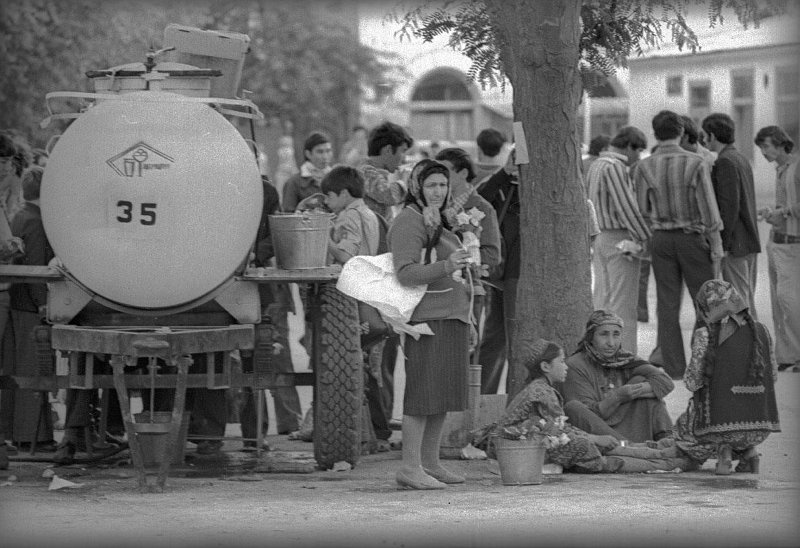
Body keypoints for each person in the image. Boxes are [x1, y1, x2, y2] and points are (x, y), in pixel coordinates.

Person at [473, 338, 692, 473]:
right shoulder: (542, 391)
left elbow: (558, 430)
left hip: (518, 446)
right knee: (589, 449)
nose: (565, 366)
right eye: (560, 362)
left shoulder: (541, 388)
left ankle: (651, 452)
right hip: (516, 450)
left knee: (590, 443)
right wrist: (596, 439)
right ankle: (661, 461)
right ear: (545, 366)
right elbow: (560, 432)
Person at [388, 159, 473, 489]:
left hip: (452, 314)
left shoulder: (443, 219)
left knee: (443, 395)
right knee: (423, 395)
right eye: (431, 185)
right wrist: (446, 265)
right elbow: (405, 273)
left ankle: (431, 463)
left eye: (443, 185)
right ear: (416, 188)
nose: (438, 191)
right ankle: (410, 467)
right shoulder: (409, 221)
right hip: (426, 318)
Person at [632, 109, 724, 379]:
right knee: (705, 301)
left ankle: (673, 368)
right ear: (682, 132)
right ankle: (703, 363)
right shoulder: (696, 162)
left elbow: (641, 209)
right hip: (692, 238)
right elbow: (709, 209)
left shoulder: (644, 166)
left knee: (667, 303)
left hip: (661, 239)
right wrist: (715, 242)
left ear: (655, 134)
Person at [673, 280, 780, 474]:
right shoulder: (762, 331)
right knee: (739, 406)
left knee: (681, 432)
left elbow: (692, 382)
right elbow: (772, 376)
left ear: (704, 308)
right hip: (761, 427)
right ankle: (749, 453)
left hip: (720, 427)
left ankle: (724, 451)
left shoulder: (705, 334)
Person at [238, 174, 303, 448]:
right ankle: (235, 434)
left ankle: (263, 431)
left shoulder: (266, 192)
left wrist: (253, 254)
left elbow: (278, 234)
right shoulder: (215, 187)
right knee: (236, 364)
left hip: (261, 289)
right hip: (219, 288)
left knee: (264, 358)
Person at [562, 310, 675, 443]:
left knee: (649, 391)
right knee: (573, 407)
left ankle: (667, 441)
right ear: (591, 337)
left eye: (616, 335)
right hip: (599, 432)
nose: (611, 343)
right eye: (604, 334)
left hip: (627, 424)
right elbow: (588, 415)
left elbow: (666, 383)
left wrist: (636, 390)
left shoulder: (625, 359)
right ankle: (630, 448)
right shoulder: (576, 365)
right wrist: (618, 397)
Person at [586, 126, 650, 355]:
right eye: (639, 150)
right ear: (630, 146)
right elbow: (627, 208)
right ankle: (625, 356)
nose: (638, 157)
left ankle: (601, 355)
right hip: (619, 239)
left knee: (603, 302)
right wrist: (644, 237)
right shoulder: (615, 167)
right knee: (624, 306)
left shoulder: (596, 165)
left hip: (599, 237)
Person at [7, 166, 56, 451]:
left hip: (16, 301)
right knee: (33, 368)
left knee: (16, 369)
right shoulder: (37, 222)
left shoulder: (19, 216)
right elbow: (37, 266)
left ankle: (18, 431)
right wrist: (43, 304)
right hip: (30, 307)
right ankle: (32, 435)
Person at [701, 113, 761, 320]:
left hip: (735, 243)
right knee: (746, 299)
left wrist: (722, 244)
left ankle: (752, 349)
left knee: (739, 303)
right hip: (748, 240)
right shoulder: (740, 158)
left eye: (705, 135)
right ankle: (758, 349)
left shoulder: (725, 161)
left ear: (711, 135)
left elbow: (729, 206)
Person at [434, 147, 502, 327]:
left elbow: (493, 255)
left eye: (445, 172)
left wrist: (462, 257)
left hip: (468, 289)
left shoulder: (482, 208)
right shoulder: (435, 206)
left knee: (465, 347)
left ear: (463, 173)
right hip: (437, 287)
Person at [754, 125, 800, 373]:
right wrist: (773, 213)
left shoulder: (796, 167)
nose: (762, 151)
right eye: (760, 147)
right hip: (777, 240)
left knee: (789, 299)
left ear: (781, 144)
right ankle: (787, 355)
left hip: (793, 243)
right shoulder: (781, 169)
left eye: (766, 146)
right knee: (778, 302)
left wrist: (782, 212)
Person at [476, 150, 520, 394]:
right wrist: (504, 174)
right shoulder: (503, 185)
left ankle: (504, 398)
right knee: (497, 337)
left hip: (522, 273)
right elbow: (480, 199)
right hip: (504, 273)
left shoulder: (542, 189)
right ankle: (484, 398)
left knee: (510, 339)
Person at [356, 121, 414, 221]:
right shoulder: (366, 172)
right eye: (403, 151)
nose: (405, 159)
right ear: (388, 150)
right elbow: (389, 196)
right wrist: (405, 180)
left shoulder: (378, 173)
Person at [281, 132, 333, 213]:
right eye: (320, 152)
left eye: (328, 151)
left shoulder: (336, 179)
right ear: (308, 154)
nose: (325, 156)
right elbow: (288, 216)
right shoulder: (293, 183)